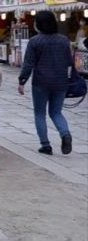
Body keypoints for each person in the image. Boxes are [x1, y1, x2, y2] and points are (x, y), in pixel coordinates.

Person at [18, 10, 75, 155]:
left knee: (39, 113)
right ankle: (65, 133)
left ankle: (45, 145)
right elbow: (69, 62)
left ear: (38, 24)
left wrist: (22, 80)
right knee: (56, 112)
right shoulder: (64, 40)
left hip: (41, 82)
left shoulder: (35, 41)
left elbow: (28, 63)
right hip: (61, 82)